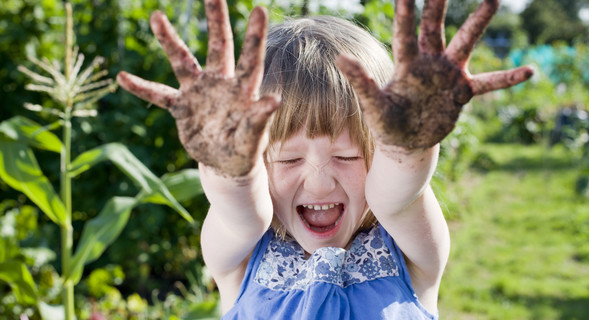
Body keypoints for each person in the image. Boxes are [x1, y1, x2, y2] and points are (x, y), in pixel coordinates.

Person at [116, 0, 533, 318]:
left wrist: (410, 145)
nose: (319, 182)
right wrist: (228, 166)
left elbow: (397, 194)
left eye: (347, 155)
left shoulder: (410, 250)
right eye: (288, 160)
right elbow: (241, 209)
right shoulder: (241, 254)